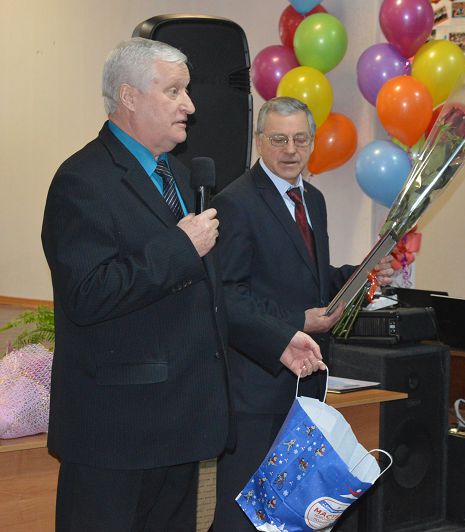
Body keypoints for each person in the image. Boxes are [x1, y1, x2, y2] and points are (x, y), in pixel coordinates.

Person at [40, 38, 322, 532]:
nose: (190, 106)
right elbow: (87, 294)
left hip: (181, 424)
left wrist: (276, 339)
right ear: (129, 97)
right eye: (174, 91)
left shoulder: (181, 174)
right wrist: (180, 247)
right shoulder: (82, 180)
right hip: (116, 435)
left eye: (186, 91)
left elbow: (210, 292)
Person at [210, 96, 395, 531]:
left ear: (312, 142)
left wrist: (361, 274)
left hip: (305, 384)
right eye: (279, 139)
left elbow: (313, 279)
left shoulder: (313, 198)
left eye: (300, 139)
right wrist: (297, 322)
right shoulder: (235, 202)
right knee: (246, 514)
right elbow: (227, 296)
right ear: (259, 141)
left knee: (293, 513)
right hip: (257, 390)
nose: (291, 150)